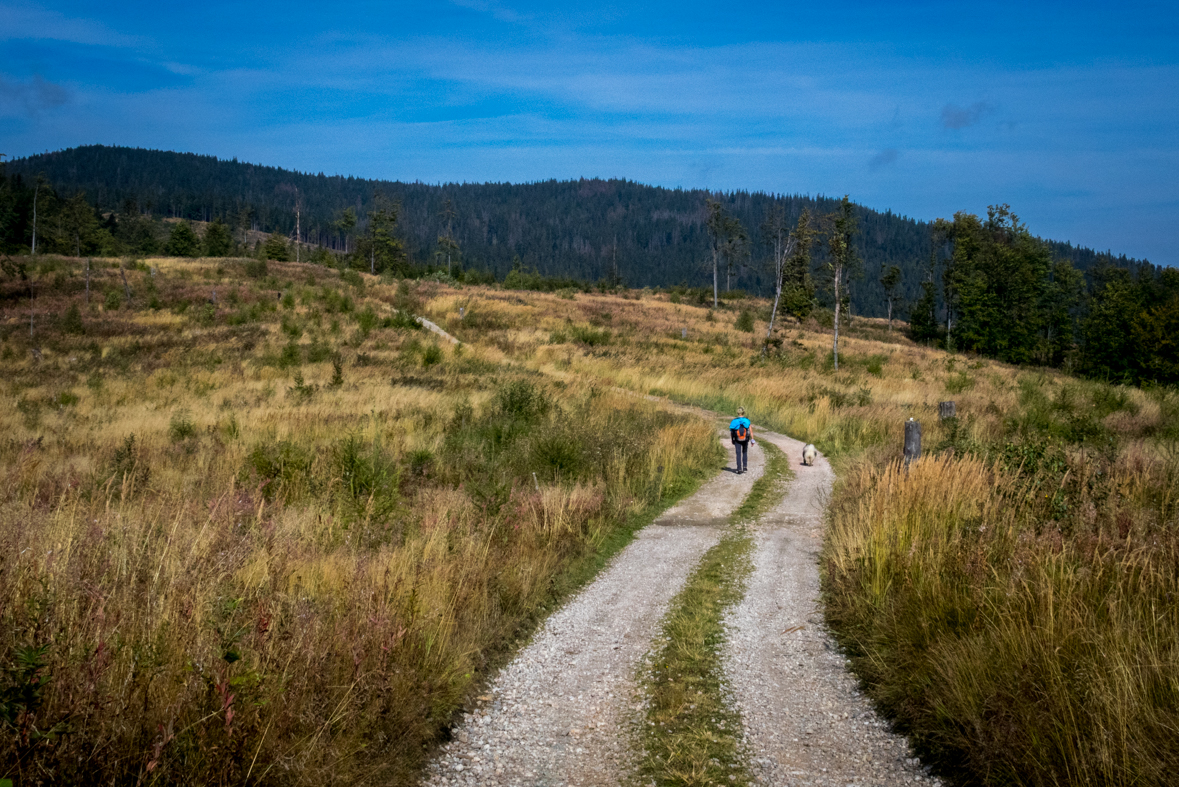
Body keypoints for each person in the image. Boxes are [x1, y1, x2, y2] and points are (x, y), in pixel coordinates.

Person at [730, 407, 754, 474]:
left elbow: (732, 432)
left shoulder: (734, 421)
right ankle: (745, 467)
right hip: (745, 439)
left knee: (738, 453)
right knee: (745, 452)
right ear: (744, 412)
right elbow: (751, 431)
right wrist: (752, 439)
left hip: (737, 439)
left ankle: (739, 468)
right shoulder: (747, 421)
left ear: (737, 412)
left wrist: (732, 440)